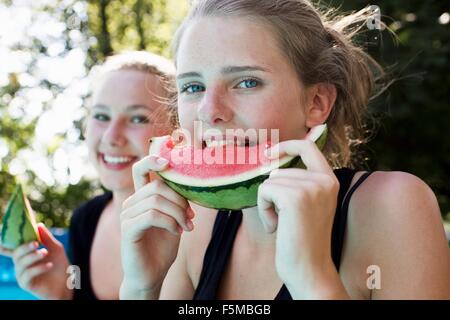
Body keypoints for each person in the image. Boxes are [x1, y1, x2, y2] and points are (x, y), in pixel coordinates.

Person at [119, 0, 450, 300]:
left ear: (316, 102)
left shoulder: (393, 205)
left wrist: (310, 275)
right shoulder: (195, 227)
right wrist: (141, 287)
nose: (209, 110)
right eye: (192, 87)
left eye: (246, 82)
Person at [0, 51, 176, 299]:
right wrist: (62, 293)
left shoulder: (202, 229)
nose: (111, 137)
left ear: (177, 130)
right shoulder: (85, 221)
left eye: (137, 118)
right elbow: (76, 287)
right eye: (102, 116)